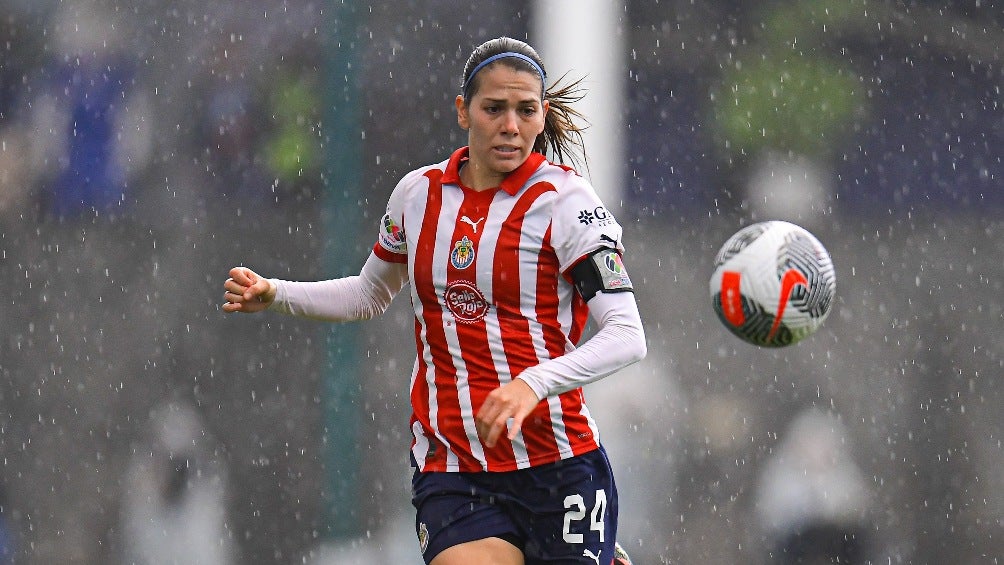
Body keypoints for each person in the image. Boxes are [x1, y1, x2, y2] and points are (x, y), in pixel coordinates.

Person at [223, 36, 645, 565]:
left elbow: (627, 336)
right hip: (454, 465)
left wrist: (530, 384)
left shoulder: (568, 204)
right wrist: (276, 293)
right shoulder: (417, 197)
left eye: (525, 110)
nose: (510, 125)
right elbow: (369, 293)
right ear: (463, 112)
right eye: (494, 109)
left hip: (557, 463)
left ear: (541, 118)